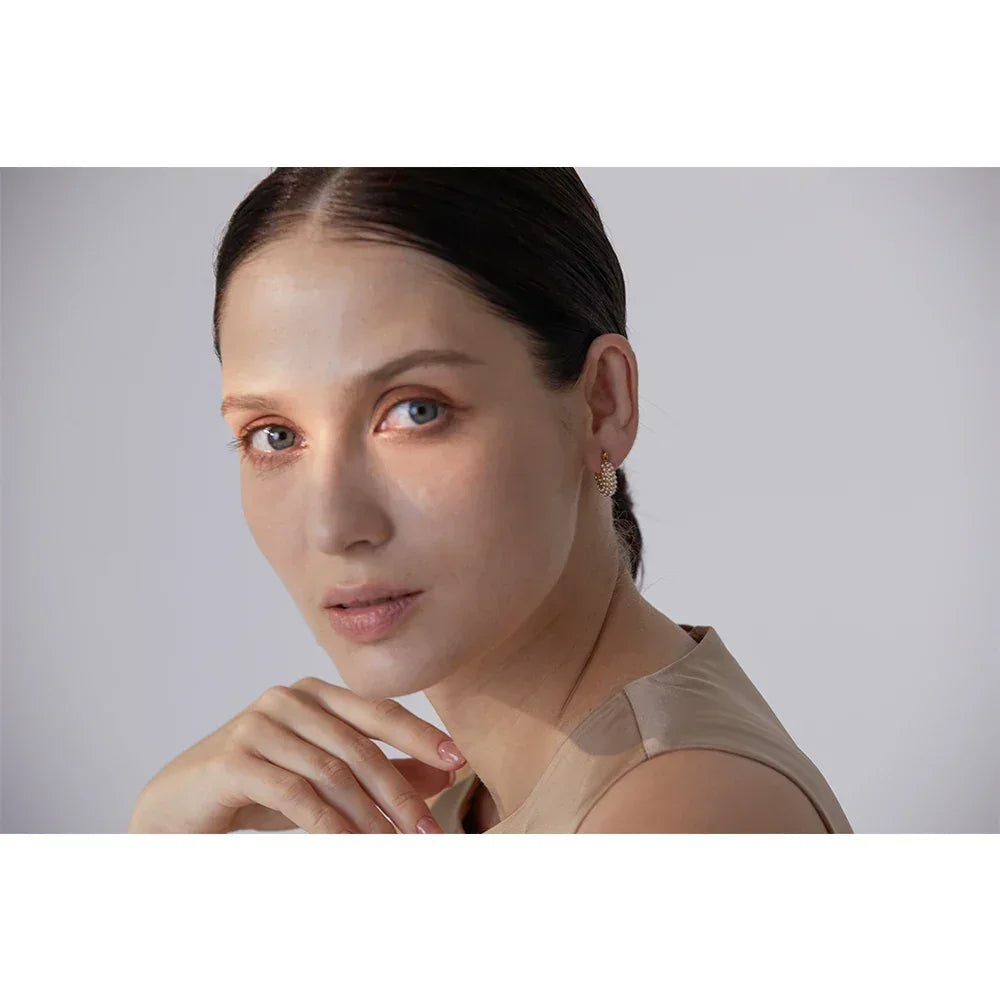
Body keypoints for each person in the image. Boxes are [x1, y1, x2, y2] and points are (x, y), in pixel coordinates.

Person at [206, 167, 852, 834]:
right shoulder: (468, 803)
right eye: (275, 435)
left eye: (416, 410)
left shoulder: (673, 814)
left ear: (603, 403)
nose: (333, 524)